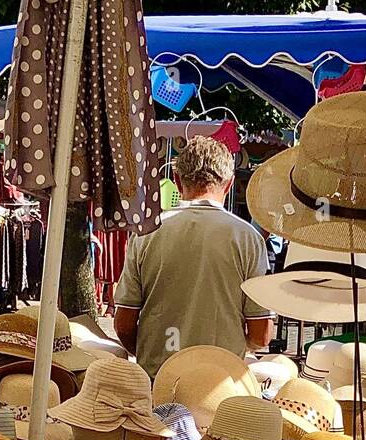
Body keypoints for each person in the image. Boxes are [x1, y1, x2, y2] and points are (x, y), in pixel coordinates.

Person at [114, 136, 274, 379]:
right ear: (229, 184)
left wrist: (154, 353)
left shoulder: (146, 233)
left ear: (177, 181)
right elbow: (261, 334)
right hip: (220, 384)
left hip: (157, 379)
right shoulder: (248, 238)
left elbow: (124, 324)